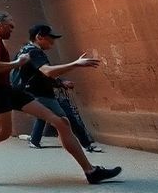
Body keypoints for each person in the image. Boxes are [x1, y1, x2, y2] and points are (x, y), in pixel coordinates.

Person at [0, 12, 122, 185]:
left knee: (60, 122)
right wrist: (20, 62)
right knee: (2, 132)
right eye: (10, 26)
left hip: (7, 89)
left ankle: (90, 171)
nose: (12, 30)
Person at [16, 23, 102, 151]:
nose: (53, 41)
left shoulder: (25, 50)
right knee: (65, 119)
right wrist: (76, 64)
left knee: (48, 117)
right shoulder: (34, 52)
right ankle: (84, 146)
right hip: (40, 94)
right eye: (50, 38)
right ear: (39, 37)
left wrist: (60, 83)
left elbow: (40, 75)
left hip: (33, 93)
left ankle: (35, 140)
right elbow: (48, 71)